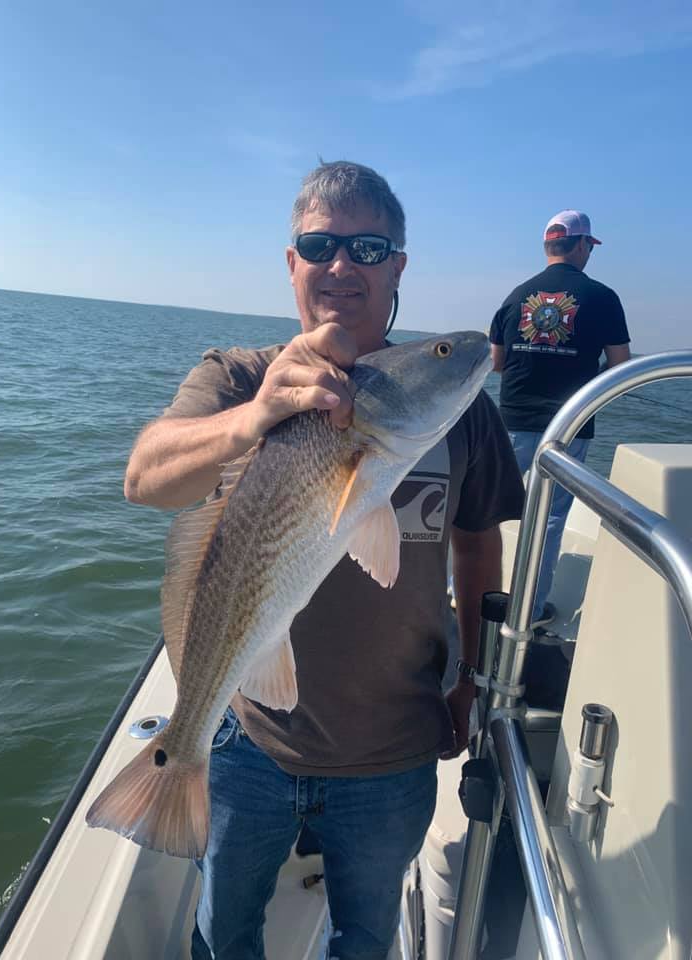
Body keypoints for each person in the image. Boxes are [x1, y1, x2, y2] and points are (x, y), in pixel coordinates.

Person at [124, 160, 525, 960]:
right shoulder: (238, 375)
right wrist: (254, 419)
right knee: (222, 934)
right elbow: (146, 478)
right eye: (321, 244)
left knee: (365, 938)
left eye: (369, 246)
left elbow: (480, 542)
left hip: (395, 749)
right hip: (249, 737)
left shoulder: (457, 409)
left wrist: (471, 681)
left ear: (398, 266)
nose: (343, 264)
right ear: (292, 261)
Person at [489, 210, 631, 628]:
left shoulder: (516, 295)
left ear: (549, 246)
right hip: (570, 424)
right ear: (583, 245)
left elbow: (496, 362)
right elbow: (620, 364)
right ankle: (529, 610)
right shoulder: (603, 297)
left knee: (488, 509)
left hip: (513, 417)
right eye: (590, 246)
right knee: (550, 518)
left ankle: (464, 592)